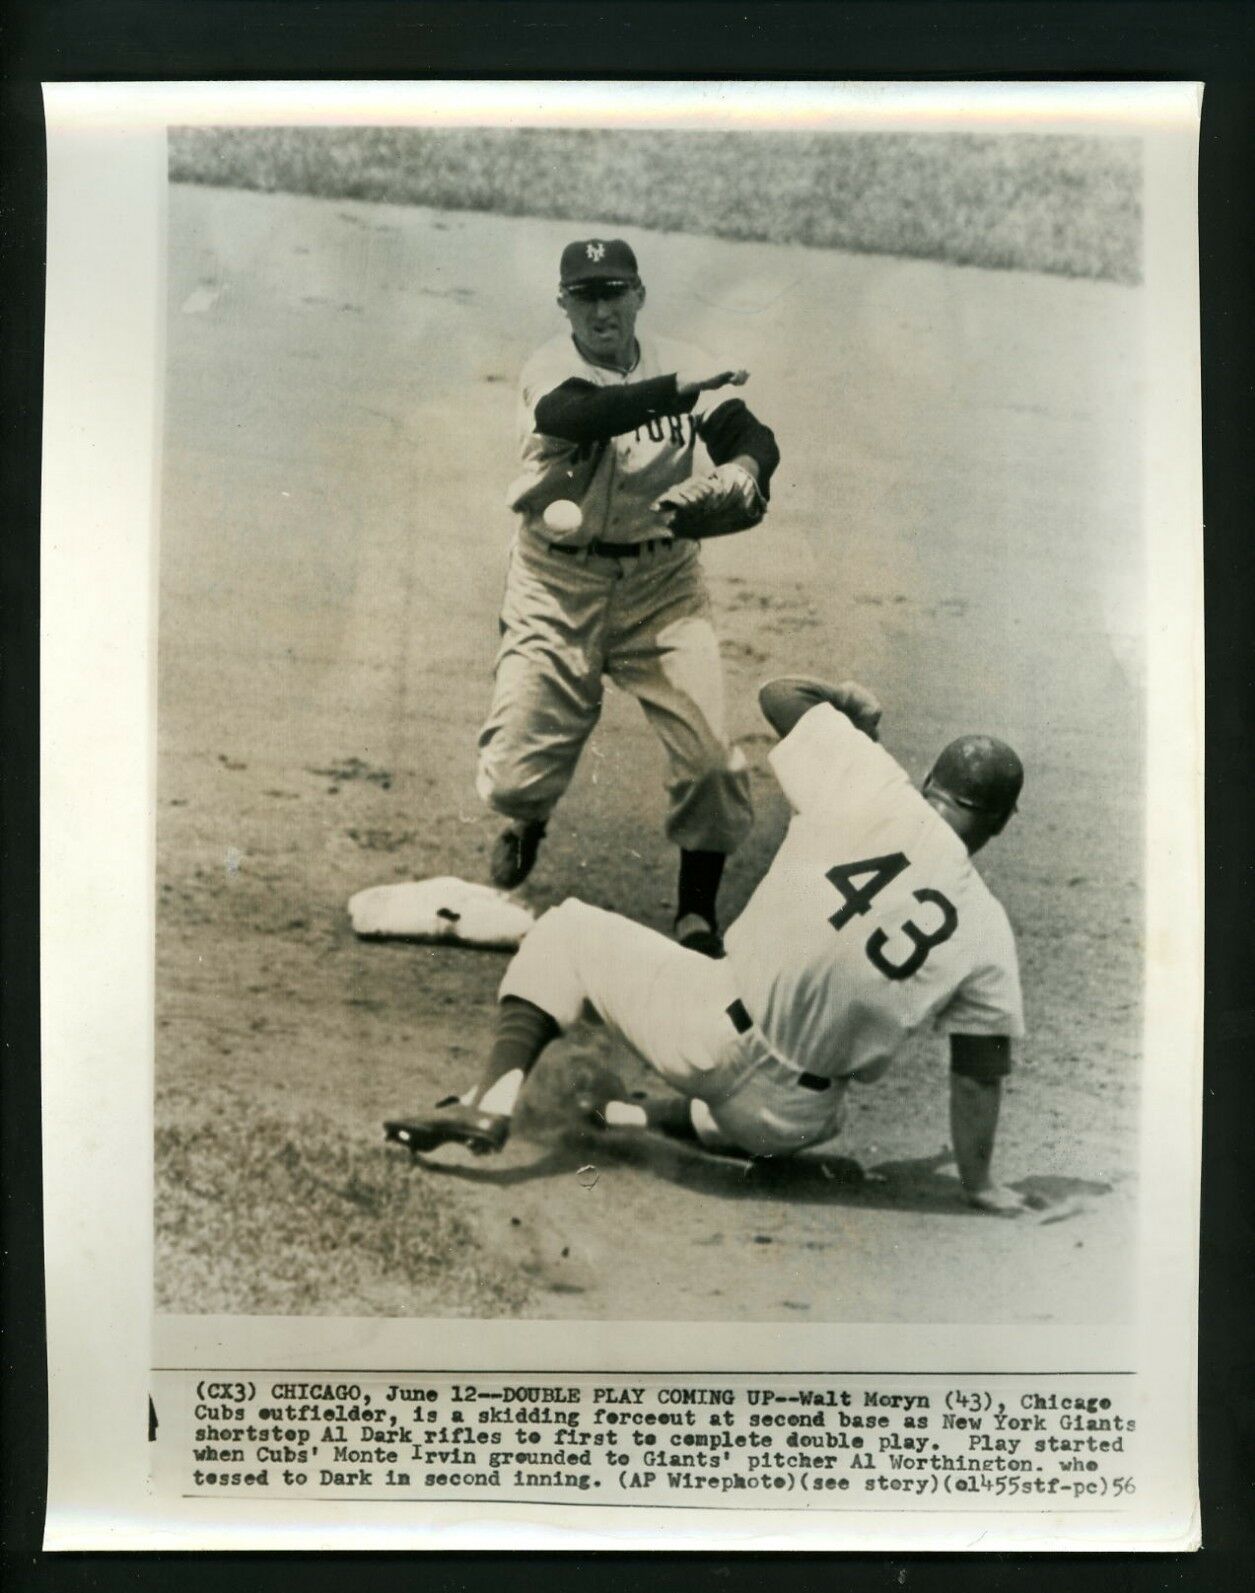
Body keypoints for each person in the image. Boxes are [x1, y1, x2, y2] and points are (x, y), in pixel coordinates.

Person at [389, 676, 1034, 1216]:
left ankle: (489, 1102)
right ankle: (631, 1119)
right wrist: (980, 1184)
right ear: (1001, 825)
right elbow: (979, 1074)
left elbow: (778, 695)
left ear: (928, 782)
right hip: (792, 1118)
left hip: (701, 1030)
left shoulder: (871, 782)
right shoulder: (989, 929)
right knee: (819, 1113)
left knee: (564, 930)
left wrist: (847, 710)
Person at [476, 237, 780, 956]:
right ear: (564, 305)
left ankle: (696, 914)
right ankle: (526, 820)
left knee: (710, 760)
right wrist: (677, 389)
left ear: (639, 295)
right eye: (585, 296)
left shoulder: (686, 358)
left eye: (614, 292)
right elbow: (579, 417)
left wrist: (743, 469)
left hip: (662, 587)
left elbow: (748, 432)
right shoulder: (550, 367)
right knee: (516, 775)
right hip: (556, 585)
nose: (601, 309)